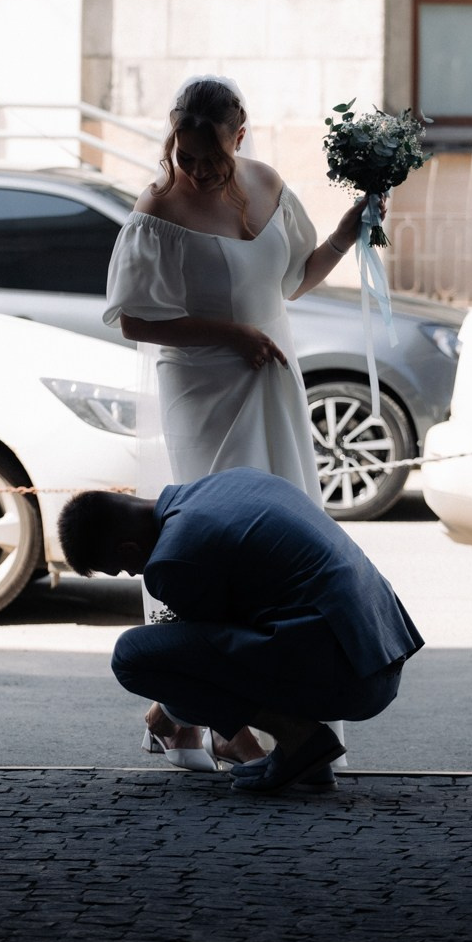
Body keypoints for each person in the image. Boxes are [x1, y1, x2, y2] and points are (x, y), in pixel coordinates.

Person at [103, 75, 373, 771]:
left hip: (271, 381)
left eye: (210, 158)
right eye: (184, 155)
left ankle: (180, 714)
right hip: (204, 390)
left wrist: (349, 232)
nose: (194, 170)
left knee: (282, 543)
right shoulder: (158, 209)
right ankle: (222, 718)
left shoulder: (271, 184)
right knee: (225, 553)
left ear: (240, 137)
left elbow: (291, 280)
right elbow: (133, 315)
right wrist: (228, 334)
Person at [58, 468, 424, 793]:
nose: (134, 575)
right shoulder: (231, 481)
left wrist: (167, 709)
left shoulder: (172, 558)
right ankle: (307, 758)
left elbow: (204, 664)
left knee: (132, 657)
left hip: (352, 677)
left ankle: (299, 738)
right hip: (382, 654)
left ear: (127, 547)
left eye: (123, 569)